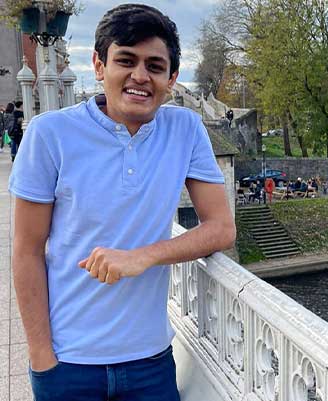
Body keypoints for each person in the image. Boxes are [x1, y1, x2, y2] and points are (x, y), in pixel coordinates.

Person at [9, 5, 236, 400]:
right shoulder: (50, 134)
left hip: (150, 362)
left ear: (172, 78)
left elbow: (221, 228)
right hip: (69, 364)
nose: (140, 76)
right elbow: (26, 251)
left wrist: (143, 256)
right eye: (126, 61)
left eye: (155, 65)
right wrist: (42, 356)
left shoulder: (185, 129)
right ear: (99, 65)